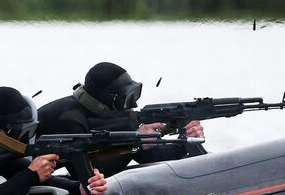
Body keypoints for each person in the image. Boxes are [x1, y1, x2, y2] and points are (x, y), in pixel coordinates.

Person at [39, 62, 206, 178]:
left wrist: (185, 141)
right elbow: (88, 173)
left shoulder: (99, 114)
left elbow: (147, 157)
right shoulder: (70, 119)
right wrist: (136, 141)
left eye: (134, 95)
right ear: (108, 101)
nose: (134, 104)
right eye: (126, 99)